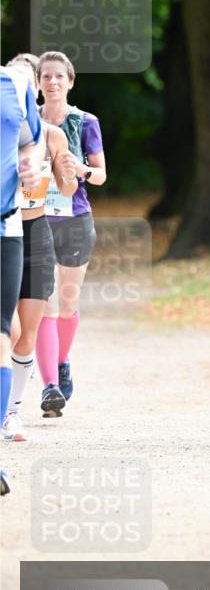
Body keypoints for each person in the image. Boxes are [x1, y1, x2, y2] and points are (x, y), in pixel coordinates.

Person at [3, 55, 77, 441]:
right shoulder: (3, 127)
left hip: (38, 234)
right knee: (9, 330)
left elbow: (67, 190)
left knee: (28, 330)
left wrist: (66, 171)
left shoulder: (52, 134)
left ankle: (12, 412)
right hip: (6, 232)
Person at [34, 51, 106, 418]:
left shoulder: (85, 121)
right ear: (38, 83)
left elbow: (101, 174)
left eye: (59, 76)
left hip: (75, 218)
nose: (52, 82)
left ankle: (62, 362)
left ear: (70, 81)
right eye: (45, 76)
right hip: (37, 219)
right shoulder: (27, 122)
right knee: (43, 301)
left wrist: (79, 168)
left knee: (67, 302)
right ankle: (49, 387)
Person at [0, 65, 43, 494]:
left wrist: (29, 170)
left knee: (2, 335)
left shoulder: (15, 84)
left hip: (5, 228)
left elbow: (29, 145)